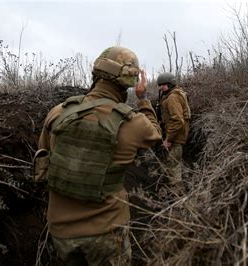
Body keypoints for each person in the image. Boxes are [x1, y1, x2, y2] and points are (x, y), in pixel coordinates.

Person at [33, 46, 162, 266]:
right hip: (106, 232)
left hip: (60, 230)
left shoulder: (58, 112)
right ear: (128, 81)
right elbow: (155, 135)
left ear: (96, 73)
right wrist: (143, 100)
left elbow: (43, 161)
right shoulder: (132, 123)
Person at [156, 72, 191, 191]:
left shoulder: (172, 97)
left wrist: (168, 139)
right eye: (160, 85)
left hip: (176, 137)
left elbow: (177, 120)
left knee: (173, 165)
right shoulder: (175, 94)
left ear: (171, 84)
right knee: (174, 163)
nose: (161, 87)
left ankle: (178, 195)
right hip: (177, 135)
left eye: (163, 85)